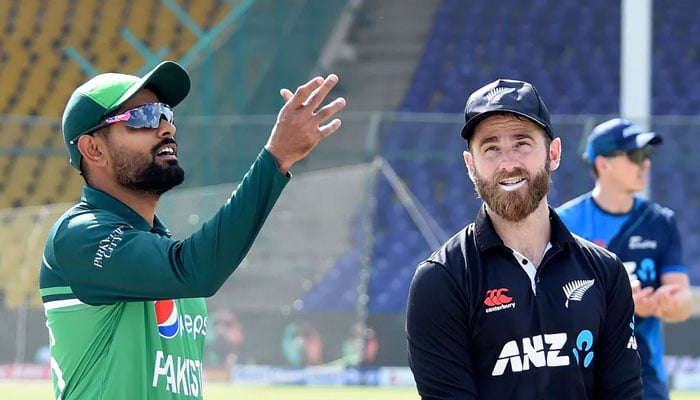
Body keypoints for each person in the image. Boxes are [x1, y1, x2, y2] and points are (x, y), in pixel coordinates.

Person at [39, 60, 346, 400]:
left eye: (166, 114)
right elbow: (196, 271)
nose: (166, 128)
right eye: (142, 118)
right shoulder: (80, 235)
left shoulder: (163, 245)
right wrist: (275, 159)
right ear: (93, 149)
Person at [406, 79, 643, 399]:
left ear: (554, 153)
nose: (508, 163)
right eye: (490, 148)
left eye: (522, 143)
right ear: (470, 165)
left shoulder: (605, 272)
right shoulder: (442, 280)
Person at [556, 118, 692, 400]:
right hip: (579, 371)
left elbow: (682, 305)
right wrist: (615, 301)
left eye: (647, 156)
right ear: (603, 165)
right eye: (635, 156)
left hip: (644, 375)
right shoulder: (563, 223)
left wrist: (668, 302)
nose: (646, 164)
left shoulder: (660, 221)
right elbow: (548, 302)